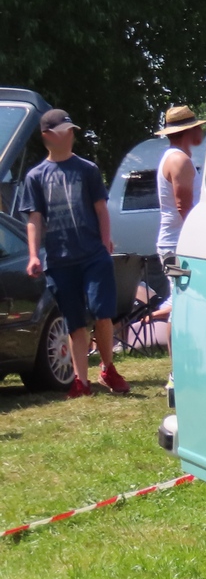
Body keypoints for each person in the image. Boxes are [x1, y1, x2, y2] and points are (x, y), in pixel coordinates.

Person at [18, 109, 128, 397]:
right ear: (47, 136)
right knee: (74, 321)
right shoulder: (35, 177)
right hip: (59, 260)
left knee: (102, 312)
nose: (70, 134)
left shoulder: (87, 169)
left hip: (93, 255)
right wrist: (32, 256)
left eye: (71, 130)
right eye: (63, 130)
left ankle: (108, 368)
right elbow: (34, 220)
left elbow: (101, 210)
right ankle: (81, 382)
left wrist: (106, 242)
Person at [155, 104, 206, 262]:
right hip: (178, 244)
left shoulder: (176, 157)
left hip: (176, 242)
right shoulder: (179, 160)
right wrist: (201, 237)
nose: (201, 131)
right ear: (190, 131)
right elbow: (183, 206)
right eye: (197, 127)